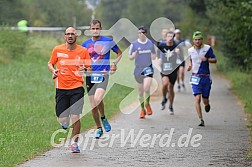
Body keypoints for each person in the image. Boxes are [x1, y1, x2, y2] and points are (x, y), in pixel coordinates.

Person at [48, 27, 91, 153]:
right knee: (62, 118)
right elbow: (50, 63)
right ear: (64, 36)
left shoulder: (83, 51)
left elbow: (89, 68)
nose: (70, 36)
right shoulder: (57, 49)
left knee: (75, 116)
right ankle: (64, 123)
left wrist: (85, 70)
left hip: (77, 87)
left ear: (76, 36)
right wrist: (53, 70)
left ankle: (74, 143)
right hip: (61, 88)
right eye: (68, 34)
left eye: (72, 34)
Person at [81, 20, 122, 139]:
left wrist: (114, 63)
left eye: (97, 28)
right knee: (93, 105)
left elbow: (119, 53)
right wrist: (83, 67)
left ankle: (103, 117)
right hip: (90, 75)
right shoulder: (85, 44)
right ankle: (99, 128)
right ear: (90, 30)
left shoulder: (108, 41)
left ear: (100, 28)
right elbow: (83, 60)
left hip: (103, 73)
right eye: (93, 29)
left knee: (98, 98)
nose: (95, 31)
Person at [187, 31, 217, 126]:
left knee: (205, 99)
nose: (197, 41)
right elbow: (191, 61)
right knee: (197, 98)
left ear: (201, 40)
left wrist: (207, 59)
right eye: (195, 39)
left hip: (205, 78)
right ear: (193, 40)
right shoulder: (190, 50)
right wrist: (189, 66)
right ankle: (201, 119)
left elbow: (215, 60)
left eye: (199, 39)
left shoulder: (207, 48)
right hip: (195, 77)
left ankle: (207, 105)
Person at [129, 26, 157, 119]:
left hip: (148, 68)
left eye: (143, 32)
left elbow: (154, 54)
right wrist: (133, 55)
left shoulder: (150, 43)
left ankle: (147, 104)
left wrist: (154, 56)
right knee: (140, 92)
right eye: (139, 33)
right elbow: (130, 57)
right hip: (138, 69)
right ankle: (142, 109)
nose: (141, 34)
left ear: (146, 33)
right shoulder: (134, 44)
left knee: (146, 88)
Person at [157, 31, 181, 114]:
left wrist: (178, 53)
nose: (170, 38)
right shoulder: (161, 45)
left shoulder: (176, 46)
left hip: (173, 70)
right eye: (168, 36)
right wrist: (159, 59)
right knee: (165, 83)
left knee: (171, 88)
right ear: (166, 37)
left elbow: (181, 58)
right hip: (164, 69)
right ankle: (164, 98)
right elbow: (157, 53)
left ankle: (170, 106)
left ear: (173, 38)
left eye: (171, 36)